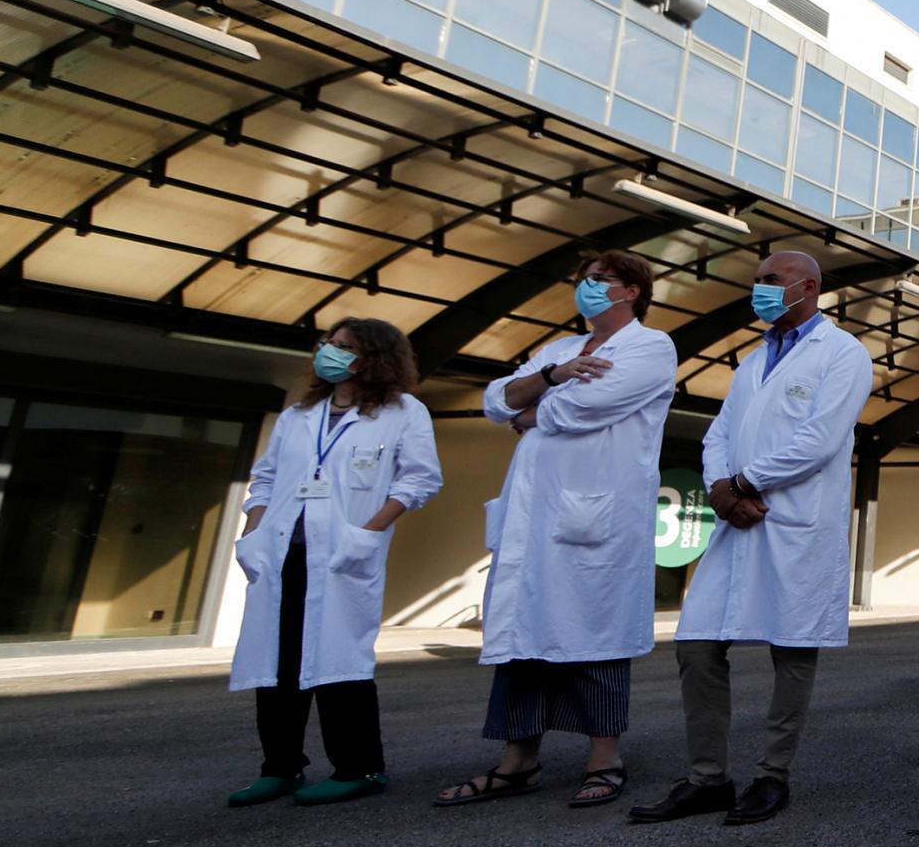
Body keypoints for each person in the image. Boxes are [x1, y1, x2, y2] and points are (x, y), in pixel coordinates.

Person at [630, 250, 873, 828]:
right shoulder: (753, 359)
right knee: (697, 645)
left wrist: (744, 482)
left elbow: (821, 438)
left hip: (792, 522)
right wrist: (721, 487)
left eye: (771, 281)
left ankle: (771, 776)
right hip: (737, 518)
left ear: (808, 287)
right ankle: (707, 779)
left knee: (792, 650)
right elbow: (720, 432)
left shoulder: (844, 354)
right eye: (757, 281)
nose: (759, 289)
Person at [438, 250, 677, 811]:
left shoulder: (650, 346)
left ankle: (605, 760)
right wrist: (549, 377)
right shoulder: (560, 350)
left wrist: (532, 406)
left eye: (600, 279)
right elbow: (494, 402)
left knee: (594, 636)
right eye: (582, 279)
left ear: (633, 291)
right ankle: (517, 763)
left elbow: (584, 409)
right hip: (534, 517)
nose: (587, 287)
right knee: (522, 638)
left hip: (595, 518)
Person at [225, 319, 442, 807]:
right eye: (329, 343)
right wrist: (253, 533)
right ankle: (279, 767)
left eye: (344, 346)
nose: (330, 352)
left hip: (343, 555)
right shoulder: (300, 414)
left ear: (374, 357)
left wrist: (367, 533)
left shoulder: (403, 412)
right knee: (277, 660)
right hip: (283, 550)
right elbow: (265, 478)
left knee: (340, 662)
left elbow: (419, 481)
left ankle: (360, 768)